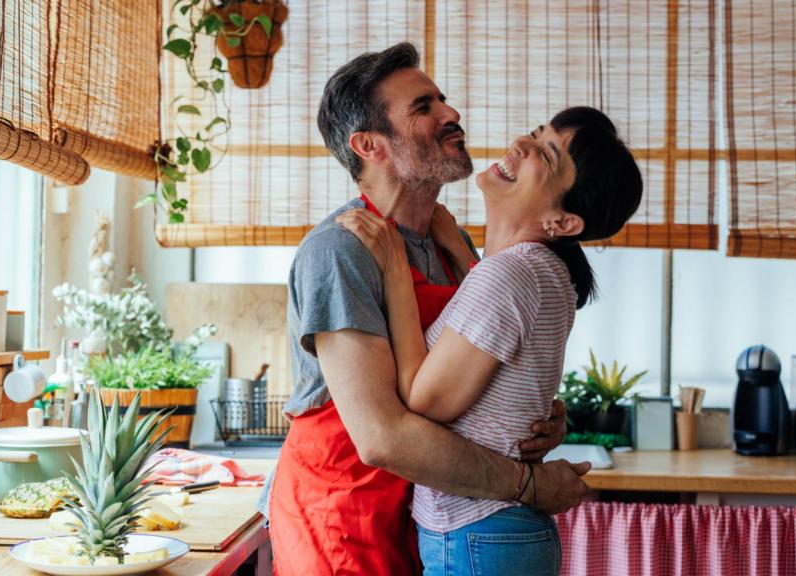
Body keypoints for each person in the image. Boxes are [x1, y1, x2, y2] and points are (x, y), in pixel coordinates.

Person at [265, 43, 592, 575]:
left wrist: (532, 420)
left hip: (430, 512)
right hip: (345, 521)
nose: (452, 113)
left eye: (443, 99)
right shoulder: (342, 250)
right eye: (423, 107)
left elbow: (478, 372)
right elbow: (381, 437)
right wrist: (527, 484)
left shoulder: (450, 241)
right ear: (370, 145)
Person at [337, 106, 644, 575]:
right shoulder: (541, 271)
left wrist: (394, 265)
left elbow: (425, 400)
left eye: (545, 153)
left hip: (480, 530)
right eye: (537, 132)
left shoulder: (514, 273)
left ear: (563, 223)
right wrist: (463, 252)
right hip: (494, 532)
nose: (521, 143)